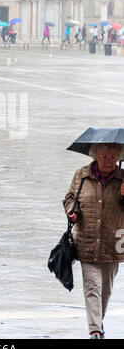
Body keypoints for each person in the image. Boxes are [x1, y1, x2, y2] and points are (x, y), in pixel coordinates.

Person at [63, 143, 124, 339]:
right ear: (95, 156)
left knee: (105, 289)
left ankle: (98, 320)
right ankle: (95, 330)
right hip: (87, 240)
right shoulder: (81, 175)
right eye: (105, 156)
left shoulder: (123, 178)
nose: (109, 161)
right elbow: (70, 198)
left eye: (113, 157)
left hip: (114, 242)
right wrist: (72, 211)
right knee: (92, 286)